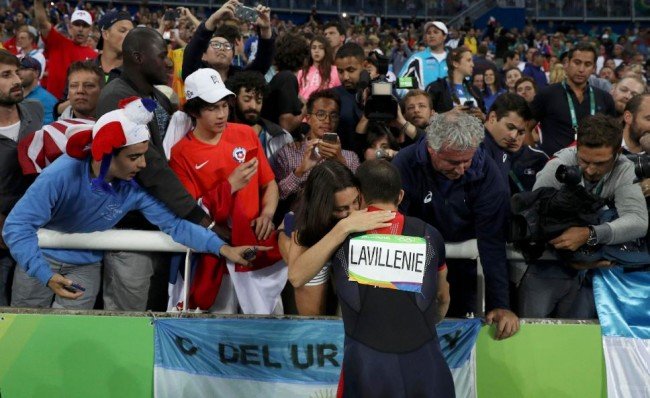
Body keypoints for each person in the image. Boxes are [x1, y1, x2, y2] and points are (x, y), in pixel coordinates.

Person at [3, 97, 258, 309]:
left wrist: (224, 249)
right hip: (37, 260)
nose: (143, 165)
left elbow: (175, 225)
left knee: (67, 337)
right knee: (23, 336)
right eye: (134, 157)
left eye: (143, 155)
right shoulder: (60, 175)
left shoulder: (133, 188)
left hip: (85, 265)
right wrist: (44, 274)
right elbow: (16, 227)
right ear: (105, 154)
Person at [96, 28, 215, 311]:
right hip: (129, 226)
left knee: (153, 310)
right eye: (161, 56)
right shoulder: (116, 97)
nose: (168, 62)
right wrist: (197, 216)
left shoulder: (158, 98)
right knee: (128, 315)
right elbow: (151, 168)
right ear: (138, 57)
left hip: (159, 221)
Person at [331, 159, 454, 397]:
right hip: (426, 363)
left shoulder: (340, 237)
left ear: (359, 198)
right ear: (400, 196)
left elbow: (299, 270)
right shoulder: (430, 235)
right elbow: (442, 297)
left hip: (366, 367)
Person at [393, 111, 519, 340]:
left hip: (467, 270)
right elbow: (396, 230)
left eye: (467, 161)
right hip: (416, 263)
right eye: (452, 162)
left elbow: (492, 242)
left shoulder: (489, 175)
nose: (461, 169)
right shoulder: (404, 163)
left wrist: (500, 304)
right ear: (432, 148)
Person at [169, 68, 282, 314]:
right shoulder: (181, 154)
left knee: (271, 321)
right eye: (212, 108)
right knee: (222, 327)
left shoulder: (244, 134)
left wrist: (267, 214)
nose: (221, 115)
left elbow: (269, 183)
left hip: (257, 247)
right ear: (194, 110)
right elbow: (192, 211)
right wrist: (230, 185)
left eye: (224, 106)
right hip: (218, 253)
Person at [520, 114, 648, 318]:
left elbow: (638, 221)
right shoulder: (558, 166)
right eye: (584, 160)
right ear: (577, 148)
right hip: (548, 267)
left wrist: (590, 234)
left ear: (617, 153)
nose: (590, 170)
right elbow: (534, 220)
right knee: (532, 335)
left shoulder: (624, 168)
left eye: (600, 163)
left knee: (579, 342)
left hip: (593, 273)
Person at [283, 160, 395, 315]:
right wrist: (343, 228)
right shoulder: (308, 220)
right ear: (323, 207)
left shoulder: (365, 205)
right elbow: (297, 277)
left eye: (356, 201)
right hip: (317, 299)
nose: (353, 211)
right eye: (342, 209)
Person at [0, 50, 44, 306]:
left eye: (16, 72)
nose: (17, 79)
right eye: (6, 75)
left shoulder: (34, 111)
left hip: (38, 235)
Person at [274, 89, 360, 202]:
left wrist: (340, 163)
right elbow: (279, 195)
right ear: (308, 119)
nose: (327, 120)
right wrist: (300, 171)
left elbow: (357, 197)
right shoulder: (289, 152)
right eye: (321, 114)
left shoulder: (350, 158)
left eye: (333, 115)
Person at [531, 43, 617, 157]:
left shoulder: (605, 98)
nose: (581, 69)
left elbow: (613, 135)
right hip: (553, 166)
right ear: (567, 64)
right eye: (577, 63)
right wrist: (534, 156)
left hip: (592, 166)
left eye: (587, 64)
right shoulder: (547, 94)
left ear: (594, 68)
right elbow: (526, 127)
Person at [181, 0, 273, 82]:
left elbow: (261, 66)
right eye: (216, 45)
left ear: (232, 57)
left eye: (227, 46)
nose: (222, 48)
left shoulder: (239, 78)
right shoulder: (195, 75)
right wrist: (213, 19)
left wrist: (265, 29)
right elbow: (192, 53)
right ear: (203, 55)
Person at [481, 93, 547, 194]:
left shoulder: (502, 146)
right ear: (492, 118)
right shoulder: (473, 149)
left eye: (521, 132)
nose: (513, 136)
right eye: (510, 127)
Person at [225, 71, 292, 168]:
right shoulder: (220, 135)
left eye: (258, 100)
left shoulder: (281, 137)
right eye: (247, 99)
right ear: (232, 100)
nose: (253, 106)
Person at [33, 2, 97, 99]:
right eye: (77, 24)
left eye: (85, 26)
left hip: (78, 106)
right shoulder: (57, 42)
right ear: (70, 27)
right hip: (52, 103)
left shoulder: (95, 56)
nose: (80, 29)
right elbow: (42, 23)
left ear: (90, 29)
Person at [260, 32, 309, 133]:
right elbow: (286, 126)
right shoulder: (288, 78)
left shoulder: (281, 78)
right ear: (303, 58)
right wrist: (306, 107)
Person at [426, 46, 485, 117]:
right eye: (468, 60)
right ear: (455, 63)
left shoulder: (475, 90)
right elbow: (426, 117)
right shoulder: (436, 88)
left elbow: (485, 115)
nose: (472, 64)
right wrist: (448, 115)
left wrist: (482, 116)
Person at [398, 21, 448, 92]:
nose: (431, 35)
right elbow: (401, 82)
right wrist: (415, 98)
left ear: (444, 36)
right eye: (428, 33)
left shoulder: (453, 58)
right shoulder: (417, 59)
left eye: (436, 32)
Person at [332, 42, 365, 152]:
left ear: (364, 65)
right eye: (340, 71)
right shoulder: (332, 97)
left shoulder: (381, 93)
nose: (345, 77)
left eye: (351, 70)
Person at [297, 35, 341, 101]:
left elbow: (339, 93)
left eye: (320, 48)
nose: (316, 51)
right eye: (314, 48)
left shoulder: (335, 70)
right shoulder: (302, 72)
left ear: (326, 50)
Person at [95, 10, 134, 82]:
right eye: (122, 31)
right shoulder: (85, 69)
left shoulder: (136, 74)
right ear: (105, 34)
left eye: (131, 32)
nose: (129, 36)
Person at [17, 56, 56, 124]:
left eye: (23, 69)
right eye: (17, 70)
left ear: (36, 73)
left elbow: (48, 129)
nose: (19, 73)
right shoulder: (13, 96)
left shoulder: (47, 99)